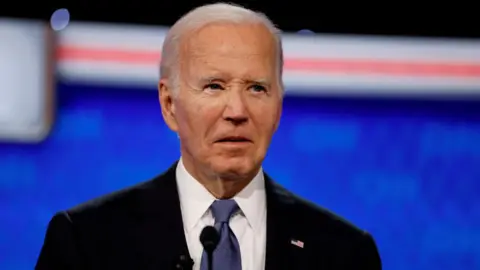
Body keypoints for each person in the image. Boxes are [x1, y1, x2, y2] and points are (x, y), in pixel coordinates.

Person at [35, 3, 382, 270]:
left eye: (257, 88)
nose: (237, 111)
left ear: (278, 107)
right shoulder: (86, 241)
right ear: (170, 104)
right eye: (214, 86)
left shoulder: (345, 253)